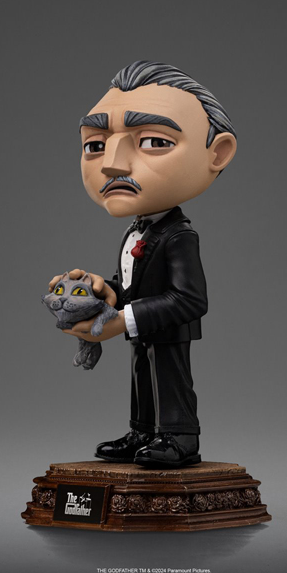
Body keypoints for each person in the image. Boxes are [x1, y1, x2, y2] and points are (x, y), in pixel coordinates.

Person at [48, 61, 237, 467]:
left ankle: (180, 438)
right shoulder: (136, 230)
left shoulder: (179, 235)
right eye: (95, 145)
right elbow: (133, 283)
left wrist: (122, 320)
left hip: (167, 330)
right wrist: (105, 291)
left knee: (170, 379)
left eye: (153, 141)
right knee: (141, 378)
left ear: (217, 153)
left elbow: (190, 299)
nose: (112, 164)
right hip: (141, 327)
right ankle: (143, 431)